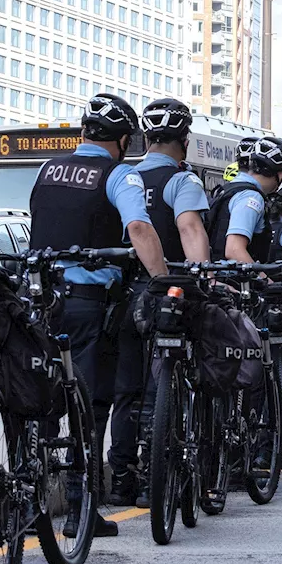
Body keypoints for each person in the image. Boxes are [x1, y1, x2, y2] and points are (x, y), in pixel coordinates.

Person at [28, 93, 166, 537]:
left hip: (41, 301)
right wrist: (160, 281)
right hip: (90, 304)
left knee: (42, 404)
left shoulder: (47, 169)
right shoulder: (119, 173)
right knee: (91, 405)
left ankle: (28, 505)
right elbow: (140, 228)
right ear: (124, 139)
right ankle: (79, 510)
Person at [105, 98, 210, 507]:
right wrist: (202, 276)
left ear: (145, 138)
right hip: (167, 292)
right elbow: (189, 227)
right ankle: (154, 478)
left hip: (124, 295)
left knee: (125, 389)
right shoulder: (183, 181)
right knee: (160, 385)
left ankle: (121, 478)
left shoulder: (122, 176)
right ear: (184, 141)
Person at [207, 138, 282, 263]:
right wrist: (264, 280)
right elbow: (234, 250)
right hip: (234, 279)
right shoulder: (251, 197)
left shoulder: (227, 190)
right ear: (280, 174)